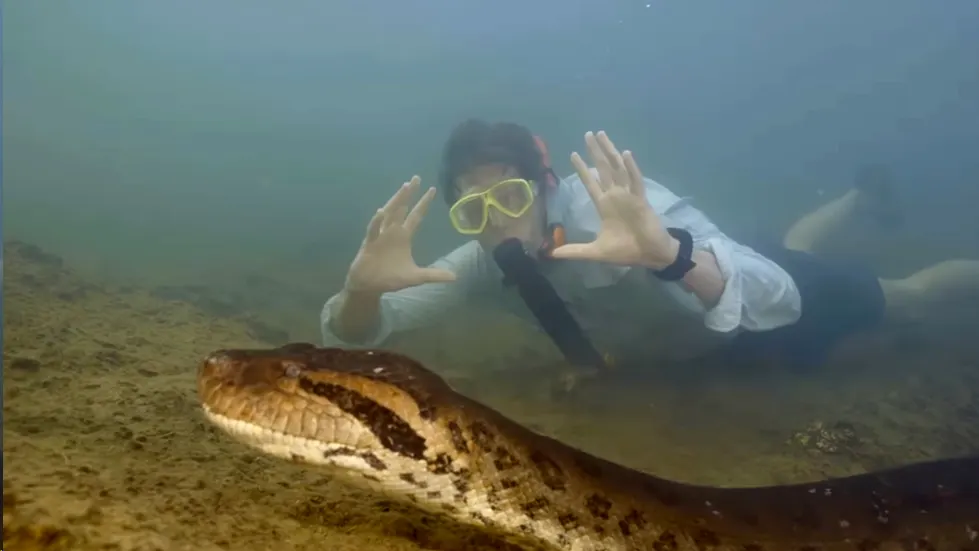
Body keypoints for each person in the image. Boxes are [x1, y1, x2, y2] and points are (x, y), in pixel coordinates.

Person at [321, 119, 979, 379]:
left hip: (752, 292)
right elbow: (363, 333)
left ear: (546, 187)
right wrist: (361, 292)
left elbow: (775, 292)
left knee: (907, 297)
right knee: (789, 242)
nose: (497, 227)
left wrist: (670, 255)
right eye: (473, 209)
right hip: (710, 330)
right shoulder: (478, 261)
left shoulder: (618, 211)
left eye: (512, 198)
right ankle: (861, 201)